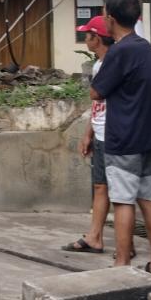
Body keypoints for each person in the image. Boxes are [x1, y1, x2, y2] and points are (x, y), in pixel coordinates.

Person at [91, 0, 151, 280]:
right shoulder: (144, 47)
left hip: (124, 137)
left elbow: (96, 91)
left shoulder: (120, 51)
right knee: (147, 200)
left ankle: (122, 265)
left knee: (123, 201)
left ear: (110, 19)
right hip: (150, 136)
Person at [62, 16, 116, 255]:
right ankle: (95, 236)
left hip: (113, 135)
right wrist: (88, 134)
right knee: (100, 186)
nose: (85, 39)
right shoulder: (97, 66)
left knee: (119, 192)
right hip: (101, 132)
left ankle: (122, 243)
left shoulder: (112, 65)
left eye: (88, 35)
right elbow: (97, 106)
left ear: (98, 38)